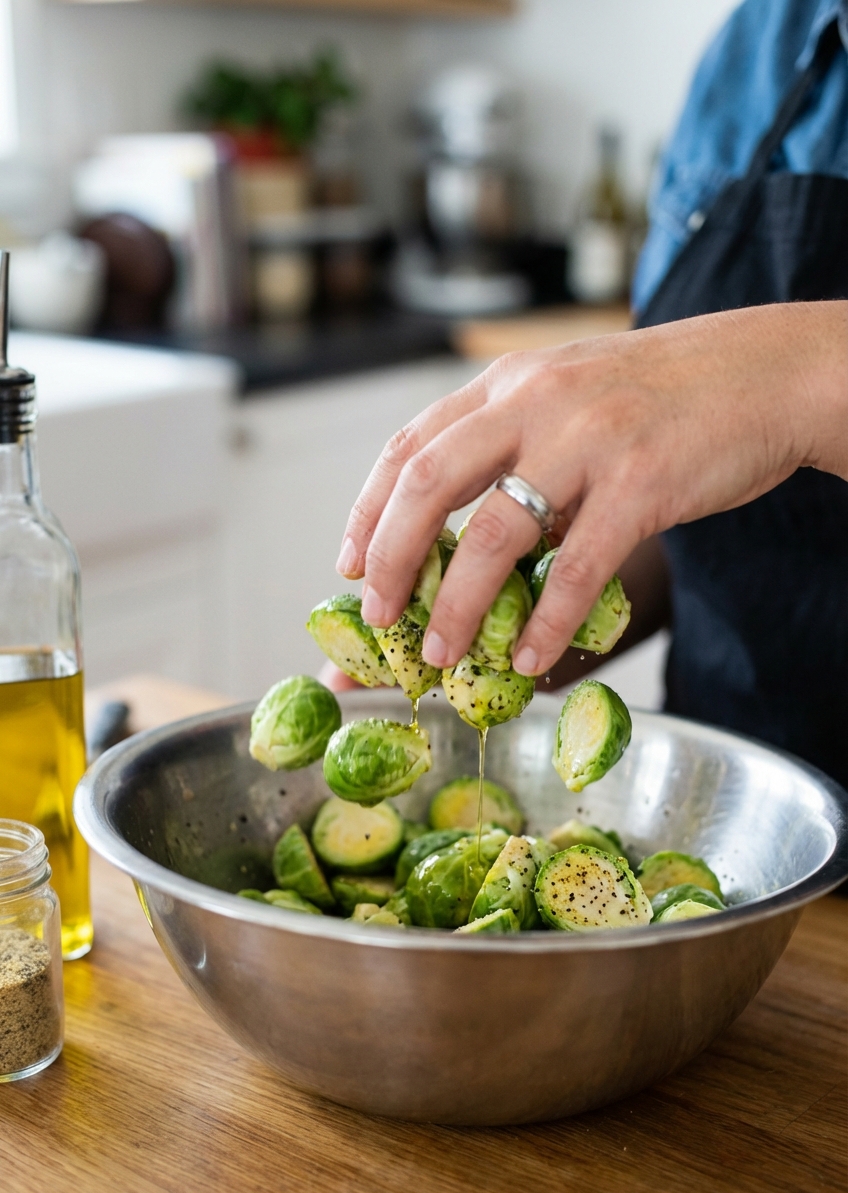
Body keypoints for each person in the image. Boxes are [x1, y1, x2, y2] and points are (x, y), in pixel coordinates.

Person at [333, 0, 848, 789]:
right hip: (735, 830)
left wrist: (791, 378)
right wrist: (501, 624)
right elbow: (701, 513)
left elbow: (748, 398)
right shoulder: (756, 52)